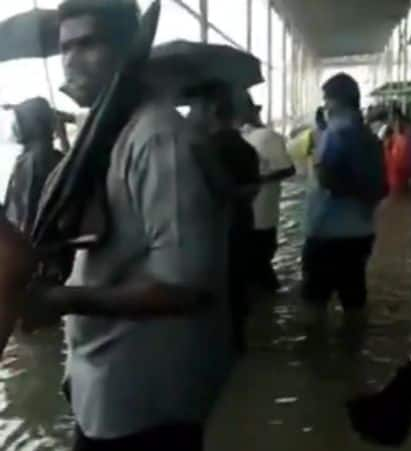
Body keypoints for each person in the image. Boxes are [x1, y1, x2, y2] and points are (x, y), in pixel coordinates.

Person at [22, 2, 233, 449]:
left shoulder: (157, 139)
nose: (72, 59)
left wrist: (63, 299)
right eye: (65, 47)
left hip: (146, 399)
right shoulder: (105, 133)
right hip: (103, 385)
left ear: (127, 50)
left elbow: (185, 285)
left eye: (88, 43)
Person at [302, 73, 386, 335]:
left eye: (326, 99)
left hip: (327, 232)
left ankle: (318, 365)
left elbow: (328, 178)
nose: (325, 105)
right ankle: (353, 355)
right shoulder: (371, 138)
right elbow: (383, 187)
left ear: (336, 101)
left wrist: (317, 164)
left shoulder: (336, 132)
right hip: (360, 231)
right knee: (354, 299)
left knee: (315, 304)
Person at [186, 82, 261, 355]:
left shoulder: (201, 150)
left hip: (211, 230)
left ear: (212, 113)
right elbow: (253, 190)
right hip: (243, 225)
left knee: (214, 289)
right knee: (238, 287)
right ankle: (238, 344)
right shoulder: (248, 149)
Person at [236, 92, 295, 292]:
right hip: (246, 216)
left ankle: (271, 310)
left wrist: (257, 180)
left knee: (260, 268)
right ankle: (269, 313)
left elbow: (288, 169)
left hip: (262, 216)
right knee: (253, 269)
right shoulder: (241, 136)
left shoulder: (268, 137)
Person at [4, 97, 63, 236]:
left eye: (19, 119)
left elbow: (25, 213)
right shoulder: (50, 155)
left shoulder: (33, 160)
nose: (15, 125)